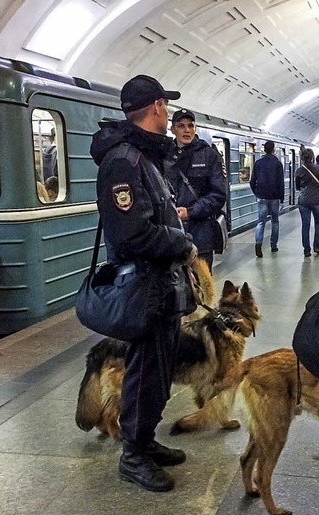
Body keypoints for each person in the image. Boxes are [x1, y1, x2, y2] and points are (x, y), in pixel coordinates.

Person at [90, 74, 197, 492]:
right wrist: (181, 245)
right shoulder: (123, 161)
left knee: (157, 371)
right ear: (155, 106)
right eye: (165, 106)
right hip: (144, 287)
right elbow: (131, 233)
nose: (168, 113)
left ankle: (145, 439)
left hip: (161, 285)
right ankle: (133, 455)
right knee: (145, 372)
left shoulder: (144, 156)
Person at [167, 108, 227, 272]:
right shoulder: (165, 155)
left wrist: (190, 212)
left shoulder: (209, 156)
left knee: (201, 289)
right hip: (171, 236)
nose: (186, 130)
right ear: (173, 129)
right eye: (181, 126)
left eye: (190, 126)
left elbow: (219, 195)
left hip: (200, 237)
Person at [249, 140, 284, 257]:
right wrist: (282, 198)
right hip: (274, 197)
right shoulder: (278, 163)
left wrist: (256, 193)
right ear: (273, 149)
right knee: (275, 221)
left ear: (264, 149)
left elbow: (252, 181)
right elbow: (280, 183)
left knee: (260, 222)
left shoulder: (258, 163)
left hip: (262, 196)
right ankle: (273, 245)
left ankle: (258, 244)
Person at [296, 148, 319, 257]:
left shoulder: (299, 170)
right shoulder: (318, 169)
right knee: (318, 223)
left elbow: (297, 186)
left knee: (305, 225)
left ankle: (306, 250)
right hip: (317, 200)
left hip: (304, 201)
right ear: (312, 157)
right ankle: (317, 246)